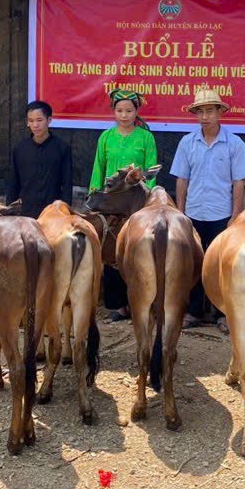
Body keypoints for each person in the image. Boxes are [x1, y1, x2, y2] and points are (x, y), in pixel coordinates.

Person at [171, 88, 245, 330]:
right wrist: (180, 212)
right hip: (193, 213)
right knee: (193, 264)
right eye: (200, 112)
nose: (205, 116)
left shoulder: (234, 144)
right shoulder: (187, 142)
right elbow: (181, 180)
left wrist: (236, 215)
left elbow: (239, 182)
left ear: (219, 113)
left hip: (222, 214)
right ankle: (193, 312)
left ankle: (222, 313)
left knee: (221, 265)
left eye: (209, 111)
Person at [90, 88, 159, 322]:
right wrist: (95, 194)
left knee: (137, 252)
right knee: (111, 252)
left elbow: (151, 170)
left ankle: (138, 301)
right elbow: (98, 167)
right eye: (119, 110)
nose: (124, 115)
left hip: (135, 204)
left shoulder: (146, 138)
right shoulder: (106, 137)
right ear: (113, 112)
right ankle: (117, 304)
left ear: (136, 111)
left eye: (129, 110)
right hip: (111, 203)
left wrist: (146, 194)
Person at [7, 100, 73, 219]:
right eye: (31, 121)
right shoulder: (20, 149)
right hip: (25, 213)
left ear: (49, 120)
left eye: (39, 120)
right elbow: (13, 183)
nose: (35, 125)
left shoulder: (62, 148)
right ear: (27, 122)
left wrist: (65, 211)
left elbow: (67, 184)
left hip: (53, 214)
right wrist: (9, 211)